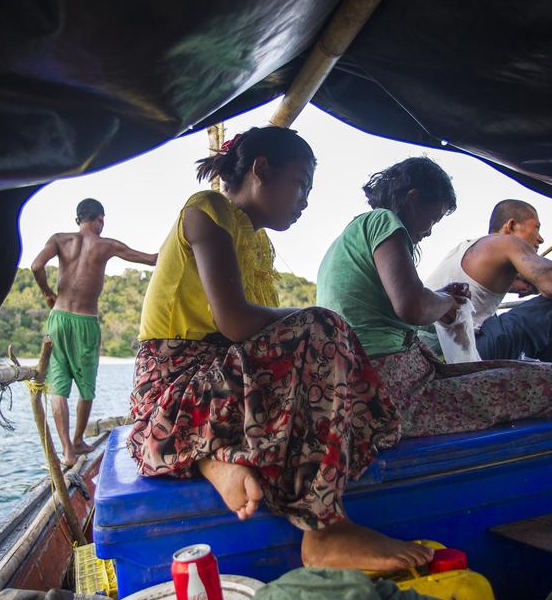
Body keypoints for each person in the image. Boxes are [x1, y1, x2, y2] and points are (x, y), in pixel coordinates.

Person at [127, 127, 433, 572]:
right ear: (262, 170)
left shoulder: (260, 244)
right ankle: (324, 531)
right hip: (175, 387)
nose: (305, 199)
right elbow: (235, 321)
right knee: (324, 326)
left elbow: (265, 351)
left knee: (338, 366)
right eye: (301, 183)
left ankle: (215, 459)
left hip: (215, 383)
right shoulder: (206, 210)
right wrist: (314, 316)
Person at [316, 158, 552, 437]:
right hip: (386, 393)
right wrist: (448, 302)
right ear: (413, 199)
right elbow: (412, 307)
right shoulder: (383, 221)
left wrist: (440, 298)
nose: (428, 231)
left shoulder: (352, 234)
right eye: (433, 218)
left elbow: (411, 299)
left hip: (359, 382)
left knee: (519, 370)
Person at [31, 198, 158, 467]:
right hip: (86, 321)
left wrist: (46, 292)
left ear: (78, 219)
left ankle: (67, 450)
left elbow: (36, 266)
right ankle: (77, 440)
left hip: (58, 318)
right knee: (86, 387)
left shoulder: (59, 239)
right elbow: (150, 260)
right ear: (100, 218)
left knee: (58, 387)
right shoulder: (105, 245)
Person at [424, 199, 552, 393]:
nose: (540, 239)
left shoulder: (467, 249)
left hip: (430, 354)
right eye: (536, 228)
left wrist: (520, 281)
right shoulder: (507, 242)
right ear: (511, 225)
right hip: (458, 355)